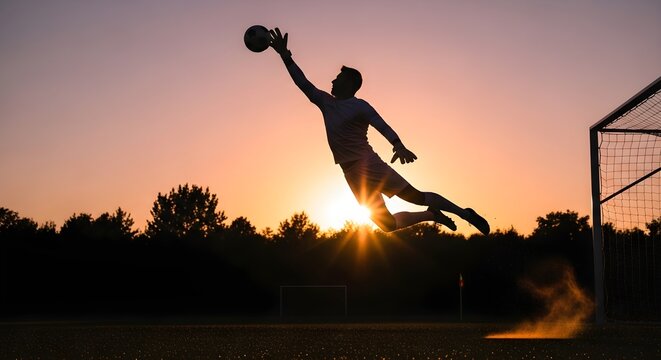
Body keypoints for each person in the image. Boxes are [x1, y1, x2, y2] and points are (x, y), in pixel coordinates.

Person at [268, 28, 490, 235]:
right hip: (351, 173)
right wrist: (285, 56)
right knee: (386, 225)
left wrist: (398, 144)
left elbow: (381, 125)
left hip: (367, 165)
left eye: (338, 78)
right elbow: (303, 83)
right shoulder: (326, 103)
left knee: (416, 197)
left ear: (350, 84)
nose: (333, 80)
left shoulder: (360, 106)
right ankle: (432, 214)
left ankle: (465, 213)